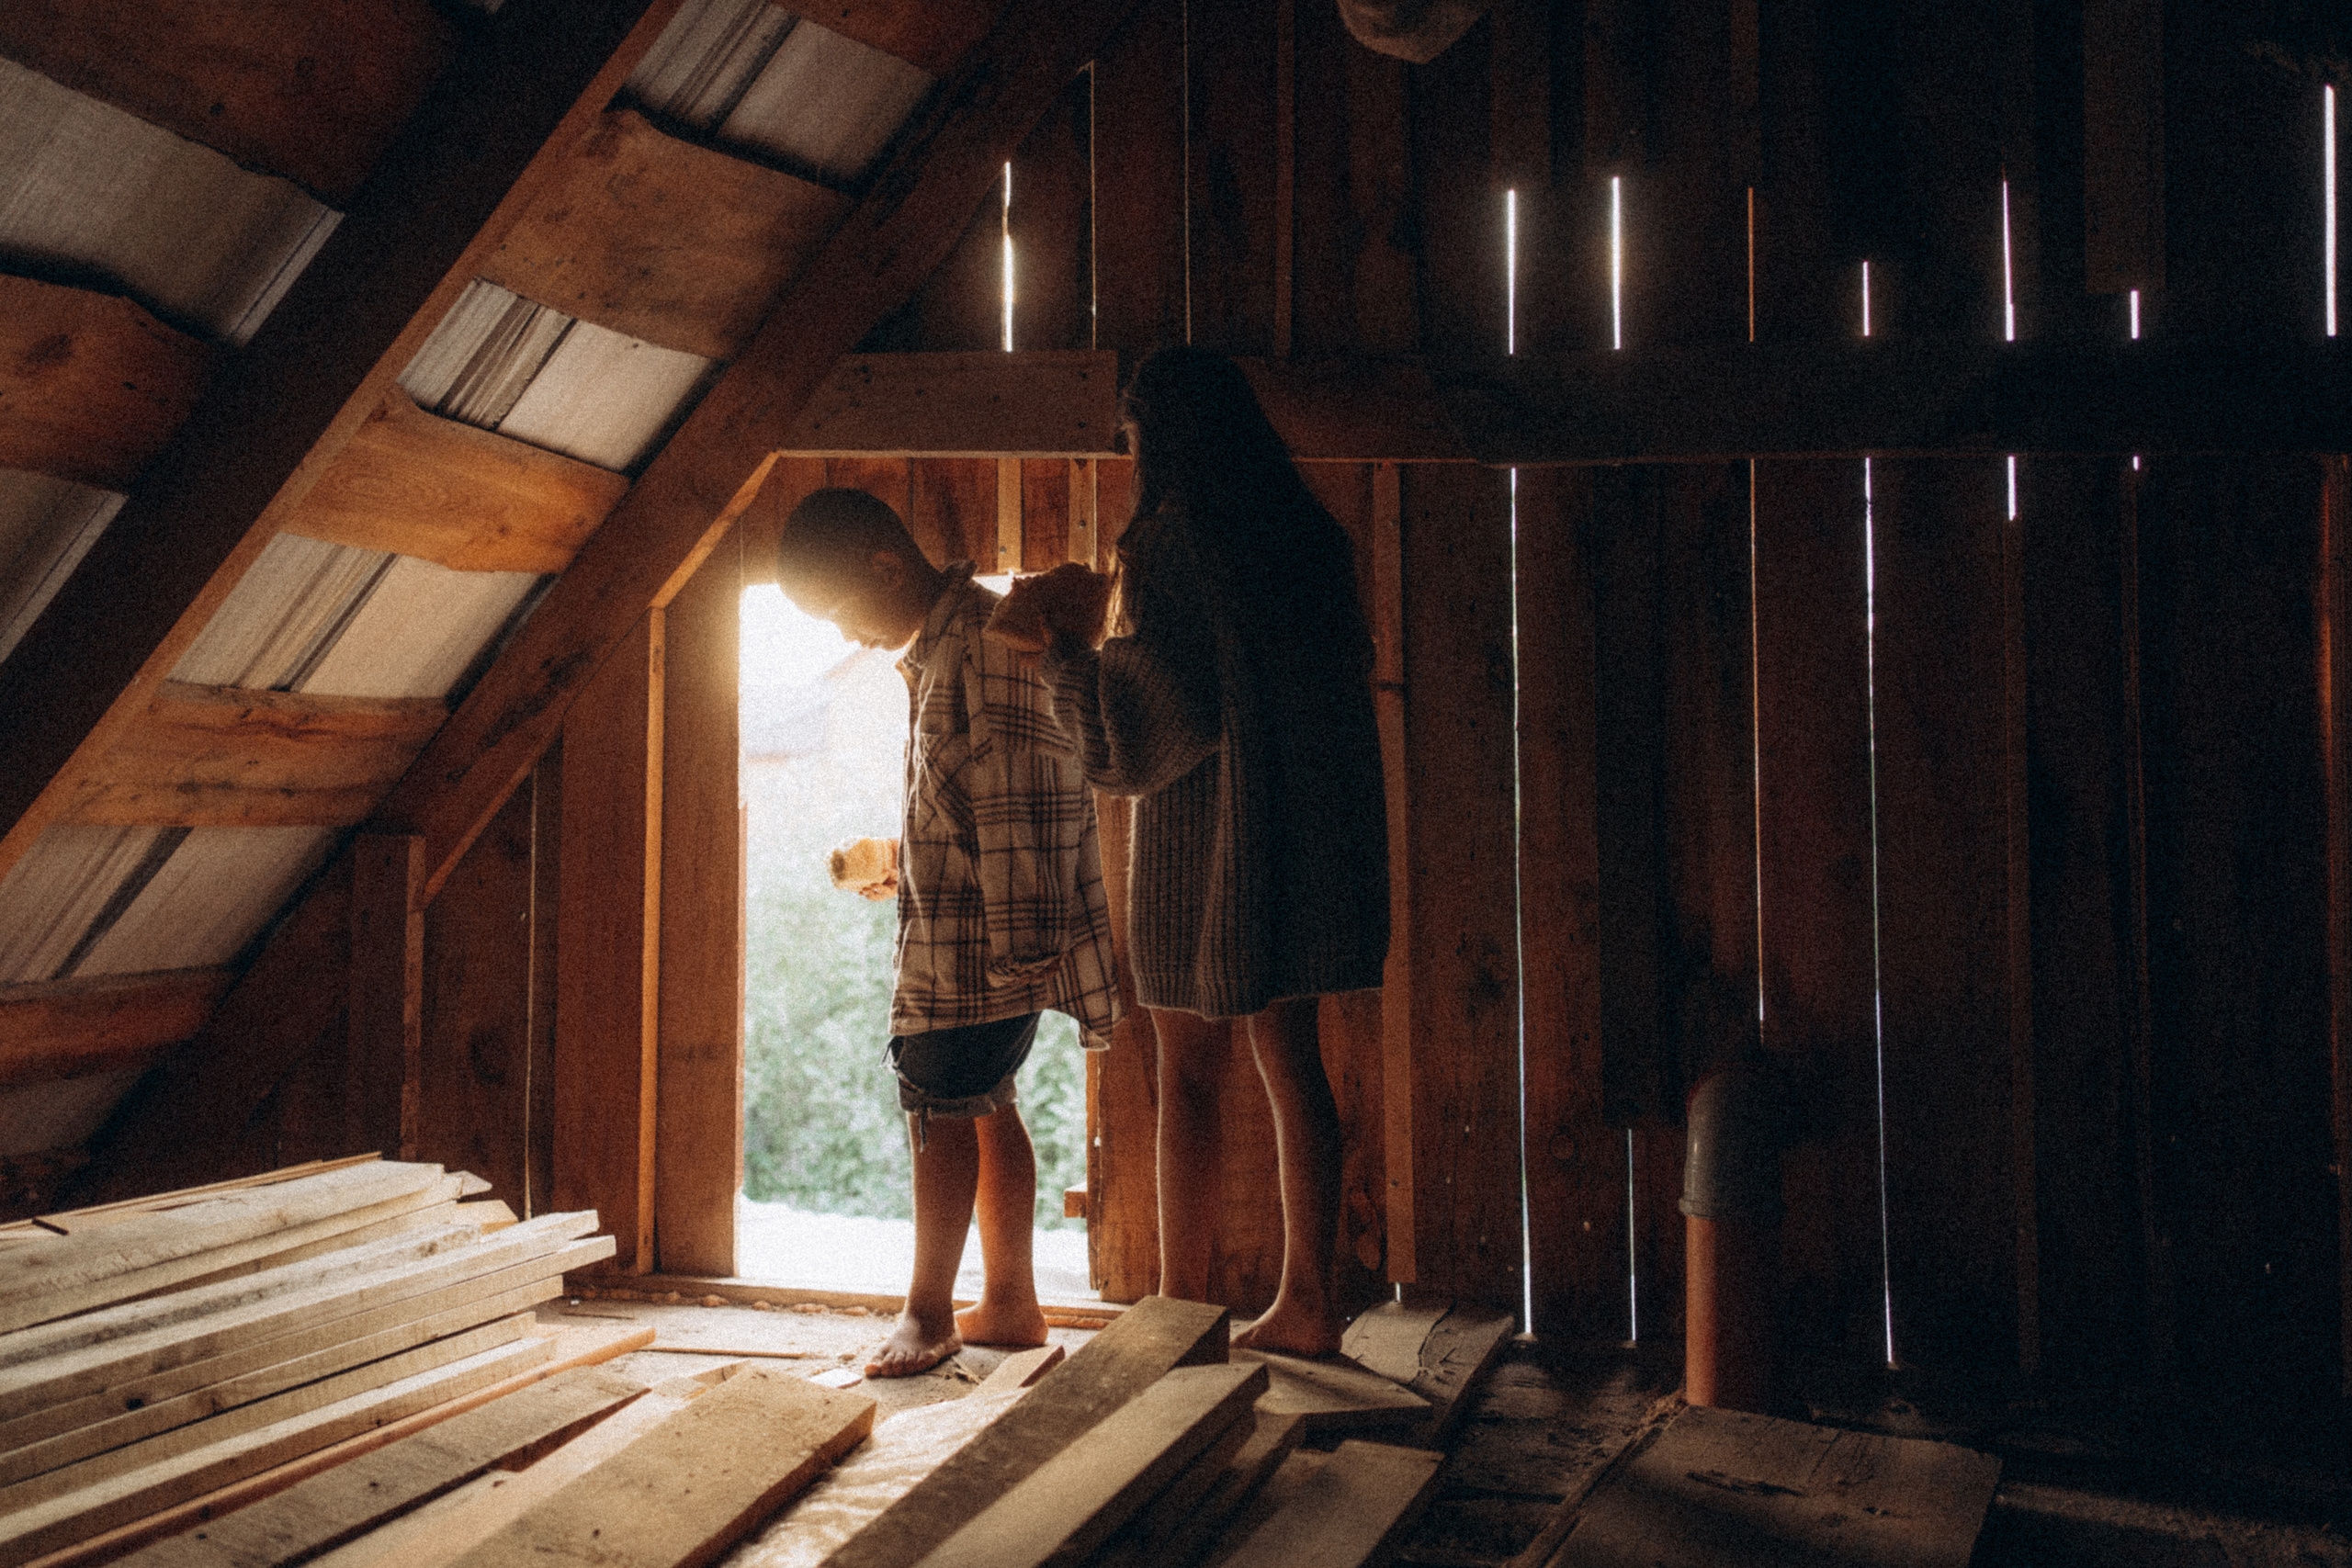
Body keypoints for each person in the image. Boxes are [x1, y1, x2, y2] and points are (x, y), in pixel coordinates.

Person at [996, 347, 1390, 1355]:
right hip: (1300, 831)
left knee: (1185, 1070)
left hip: (1206, 834)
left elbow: (1164, 709)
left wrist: (1066, 658)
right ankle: (1309, 1303)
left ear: (1156, 435)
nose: (1128, 455)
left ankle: (1182, 1309)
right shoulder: (1304, 537)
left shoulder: (1176, 540)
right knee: (1292, 1059)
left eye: (1130, 436)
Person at [774, 486, 1119, 1377]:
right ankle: (1010, 1302)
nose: (847, 636)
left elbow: (1026, 802)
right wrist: (907, 858)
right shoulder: (944, 646)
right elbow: (972, 796)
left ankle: (927, 1316)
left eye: (844, 611)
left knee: (936, 1102)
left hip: (984, 947)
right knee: (987, 1102)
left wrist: (1021, 950)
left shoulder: (987, 643)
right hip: (983, 927)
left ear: (887, 566)